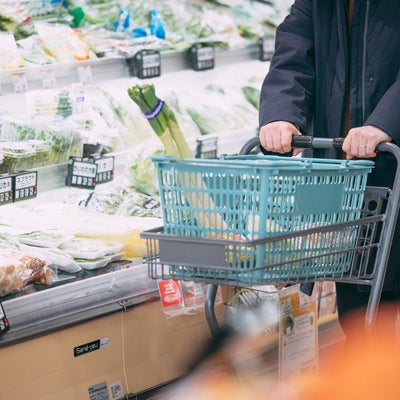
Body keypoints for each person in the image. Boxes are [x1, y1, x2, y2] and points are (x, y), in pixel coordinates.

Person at [258, 0, 400, 331]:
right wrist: (281, 114)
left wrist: (386, 121)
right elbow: (292, 58)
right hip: (348, 182)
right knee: (358, 312)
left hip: (390, 158)